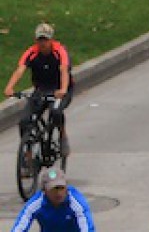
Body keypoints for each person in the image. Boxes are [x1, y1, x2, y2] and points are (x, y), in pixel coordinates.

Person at [7, 25, 72, 163]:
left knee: (55, 112)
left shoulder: (59, 51)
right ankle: (28, 156)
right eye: (40, 40)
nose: (43, 44)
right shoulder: (32, 52)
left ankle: (62, 135)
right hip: (41, 90)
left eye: (46, 40)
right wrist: (10, 88)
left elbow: (64, 71)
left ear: (51, 40)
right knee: (25, 121)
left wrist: (63, 89)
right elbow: (20, 70)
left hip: (59, 89)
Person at [11, 167, 95, 232]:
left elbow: (87, 228)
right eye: (54, 189)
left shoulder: (76, 202)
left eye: (61, 188)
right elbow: (20, 226)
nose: (58, 193)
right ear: (44, 190)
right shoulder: (36, 203)